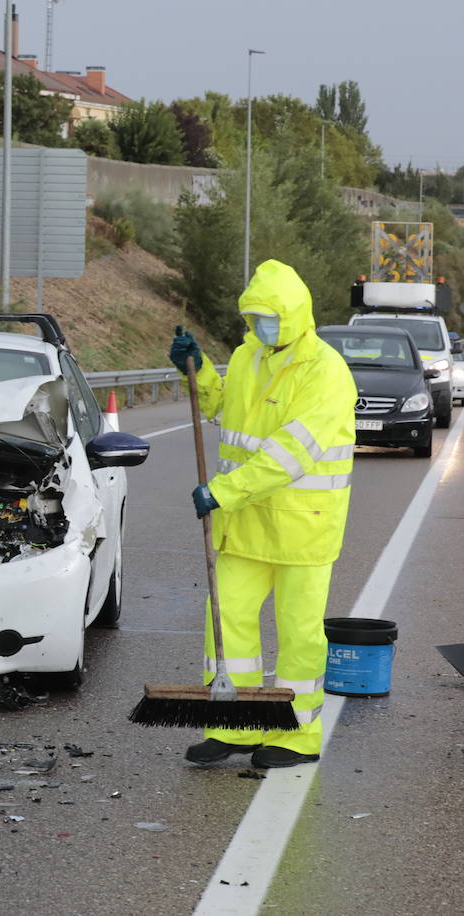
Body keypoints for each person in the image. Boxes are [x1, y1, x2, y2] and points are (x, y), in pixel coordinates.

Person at [168, 259, 355, 768]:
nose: (260, 325)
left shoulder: (326, 372)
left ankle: (294, 738)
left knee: (298, 634)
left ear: (294, 315)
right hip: (246, 523)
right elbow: (223, 408)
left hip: (303, 526)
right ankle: (236, 725)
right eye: (252, 316)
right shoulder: (249, 356)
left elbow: (289, 456)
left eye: (269, 316)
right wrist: (200, 369)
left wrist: (223, 491)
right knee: (227, 621)